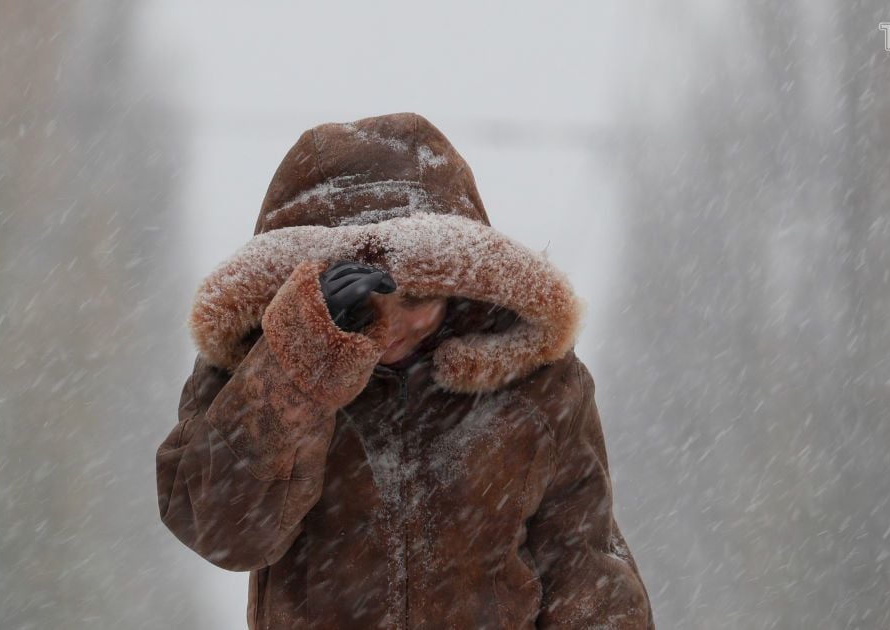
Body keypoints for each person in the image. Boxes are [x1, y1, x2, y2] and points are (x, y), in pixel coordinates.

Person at [156, 112, 655, 629]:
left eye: (416, 297)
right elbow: (223, 530)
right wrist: (301, 361)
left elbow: (586, 572)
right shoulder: (252, 372)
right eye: (362, 303)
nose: (392, 325)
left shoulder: (535, 383)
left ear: (461, 286)